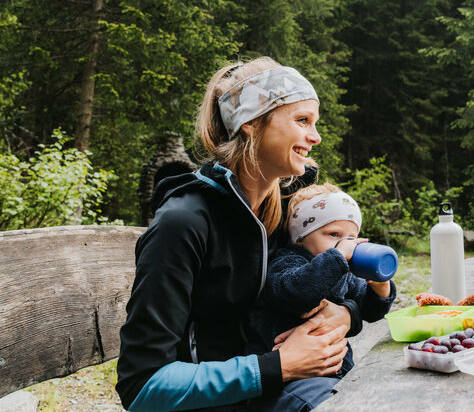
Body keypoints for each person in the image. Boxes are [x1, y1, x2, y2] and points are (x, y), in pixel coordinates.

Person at [116, 57, 361, 411]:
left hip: (282, 393)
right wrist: (278, 366)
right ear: (251, 123)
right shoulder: (183, 223)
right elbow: (142, 387)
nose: (316, 136)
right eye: (302, 120)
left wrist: (345, 315)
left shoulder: (288, 213)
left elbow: (326, 291)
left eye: (315, 122)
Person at [245, 183, 396, 410]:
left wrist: (380, 287)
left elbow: (370, 311)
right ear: (301, 236)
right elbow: (297, 293)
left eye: (352, 237)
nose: (345, 244)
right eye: (334, 234)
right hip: (287, 381)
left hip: (334, 371)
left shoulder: (344, 270)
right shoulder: (288, 262)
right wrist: (337, 258)